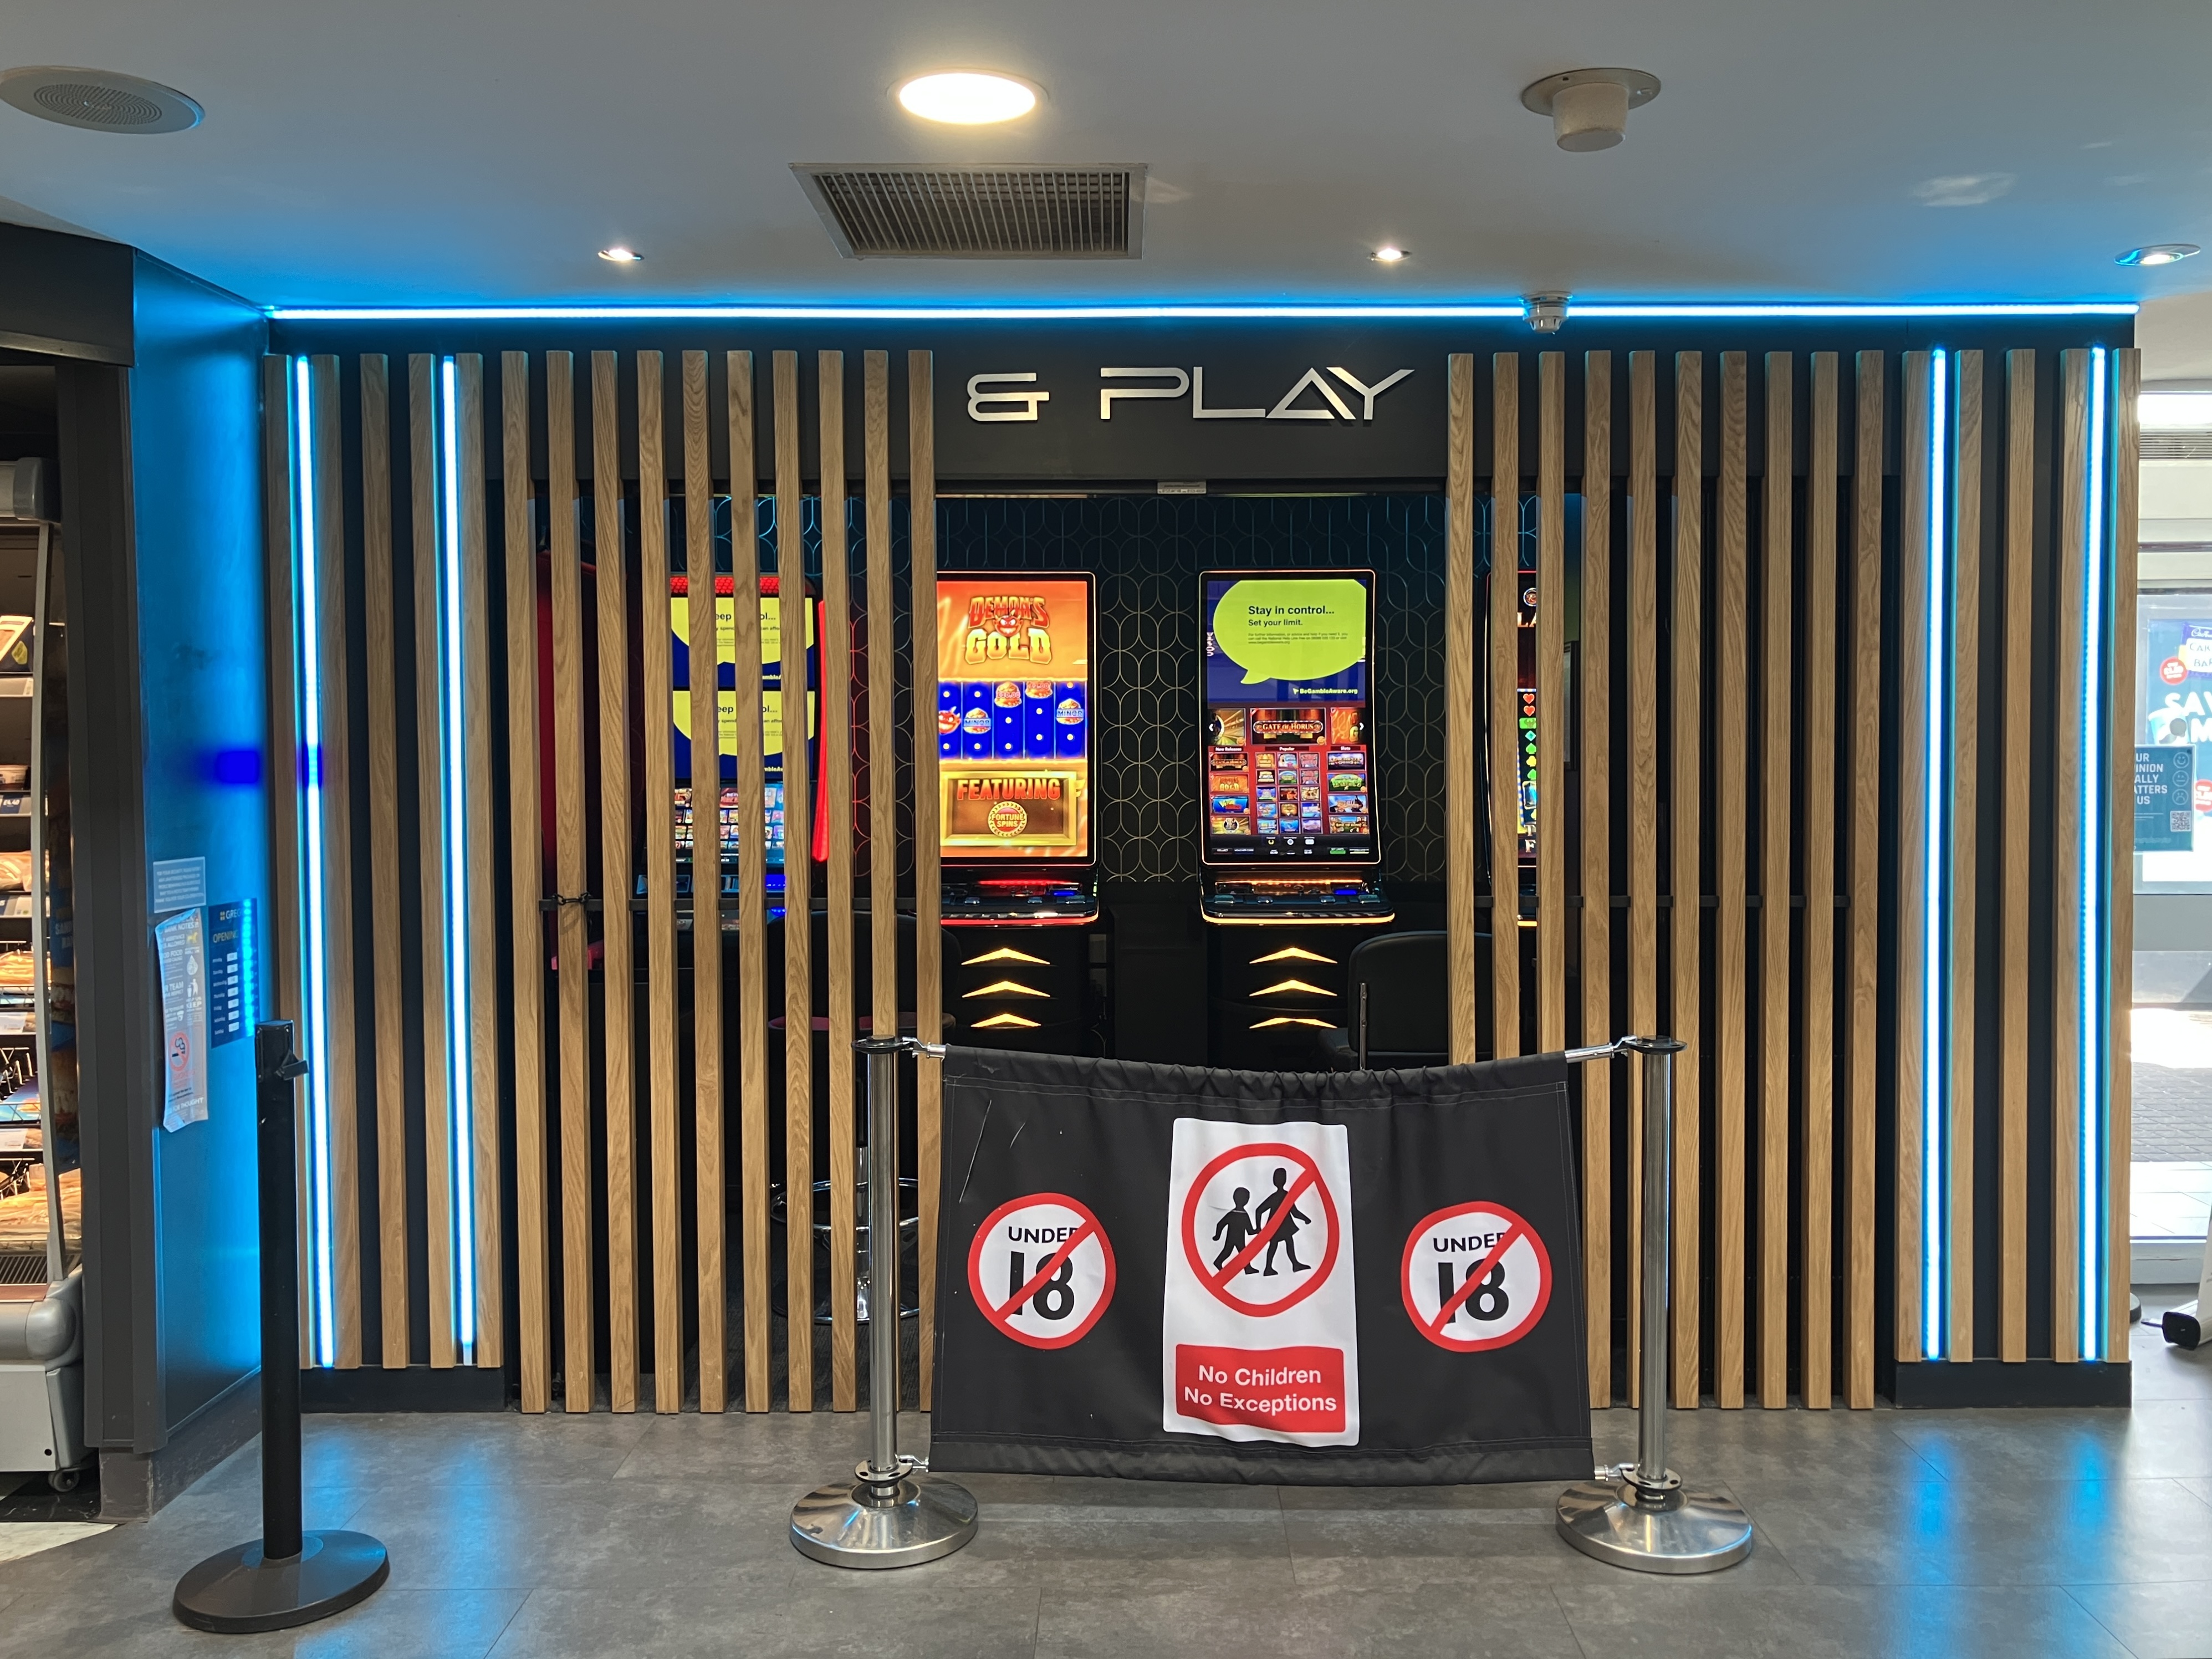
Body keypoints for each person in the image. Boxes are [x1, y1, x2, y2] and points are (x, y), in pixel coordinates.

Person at [1254, 1166, 1310, 1276]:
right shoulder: (1284, 1196)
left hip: (1282, 1225)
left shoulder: (1281, 1196)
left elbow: (1259, 1211)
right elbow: (1259, 1210)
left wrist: (1258, 1227)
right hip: (1278, 1226)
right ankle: (1270, 1268)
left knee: (1282, 1243)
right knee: (1278, 1244)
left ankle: (1291, 1265)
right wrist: (1258, 1228)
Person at [1211, 1187, 1259, 1273]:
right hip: (1235, 1239)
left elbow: (1249, 1231)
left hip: (1237, 1239)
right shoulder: (1241, 1215)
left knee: (1234, 1252)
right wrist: (1257, 1230)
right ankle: (1219, 1262)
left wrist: (1217, 1236)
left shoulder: (1236, 1214)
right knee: (1230, 1252)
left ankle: (1247, 1268)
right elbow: (1250, 1231)